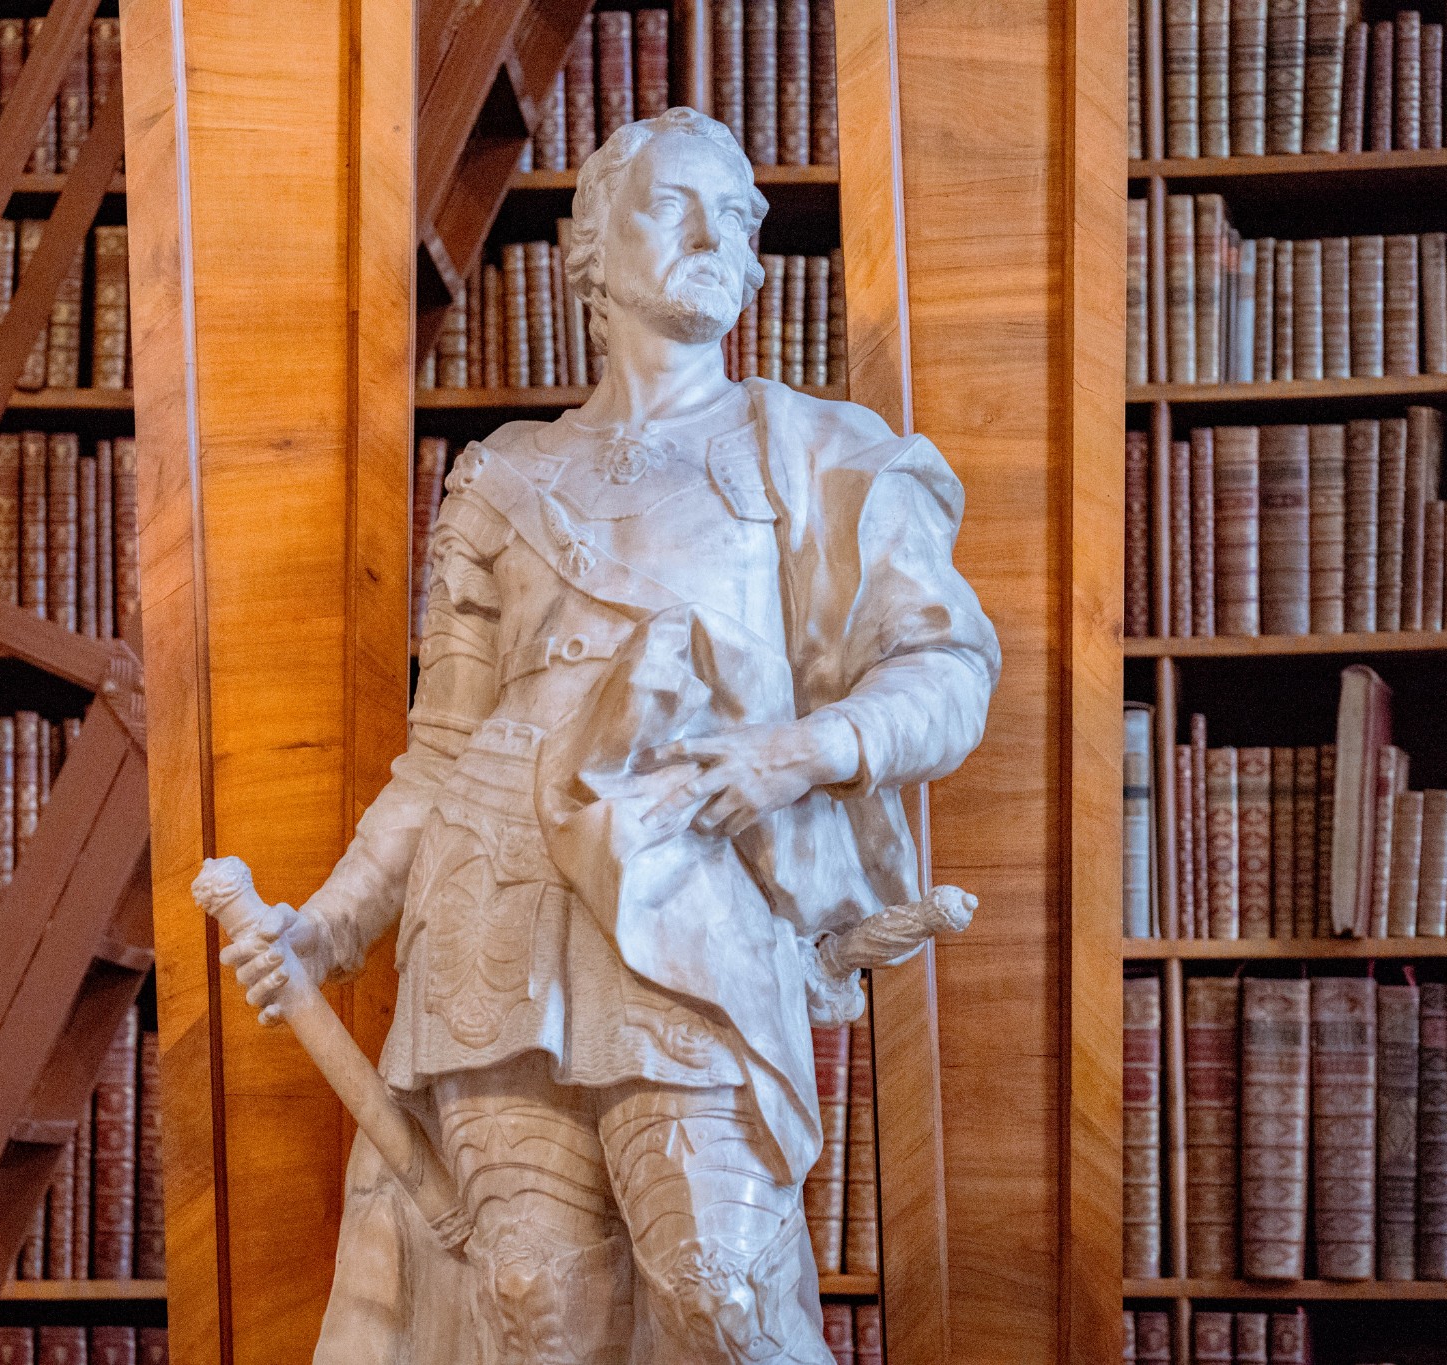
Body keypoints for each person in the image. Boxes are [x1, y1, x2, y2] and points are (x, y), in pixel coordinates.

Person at [219, 106, 1000, 1365]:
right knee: (529, 1314)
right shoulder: (500, 479)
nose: (713, 234)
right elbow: (440, 753)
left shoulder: (820, 459)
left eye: (736, 217)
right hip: (492, 925)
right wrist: (329, 923)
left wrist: (796, 752)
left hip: (693, 922)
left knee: (719, 1301)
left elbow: (947, 673)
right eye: (675, 205)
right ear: (588, 246)